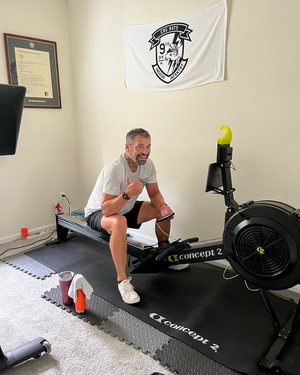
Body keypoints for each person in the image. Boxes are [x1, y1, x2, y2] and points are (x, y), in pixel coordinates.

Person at [85, 128, 188, 305]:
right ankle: (122, 281)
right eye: (140, 146)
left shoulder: (148, 165)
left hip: (126, 207)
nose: (145, 151)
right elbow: (106, 208)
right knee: (119, 221)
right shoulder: (115, 169)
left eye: (148, 146)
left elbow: (154, 193)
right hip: (99, 213)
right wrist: (127, 194)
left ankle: (164, 255)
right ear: (128, 147)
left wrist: (163, 206)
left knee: (159, 211)